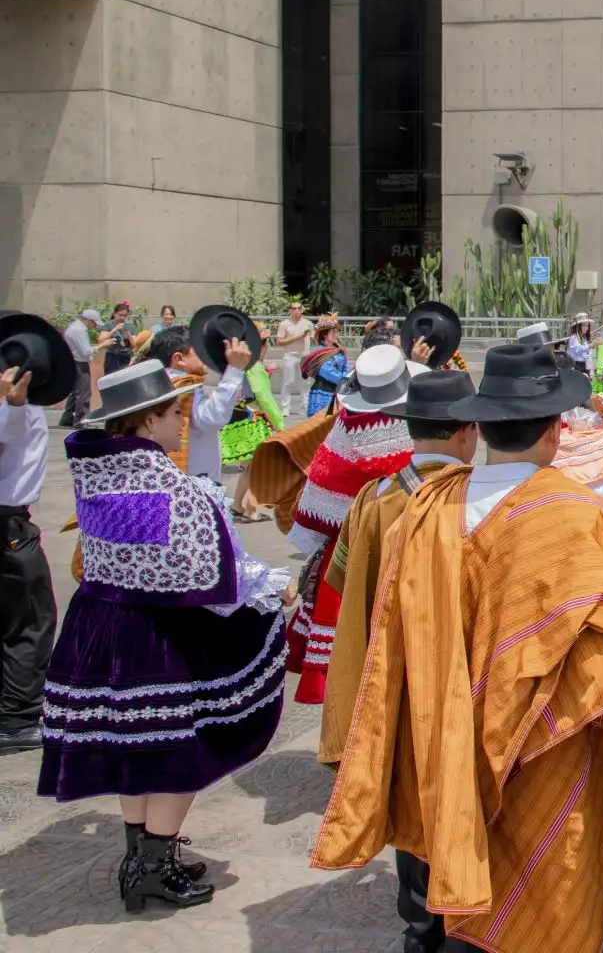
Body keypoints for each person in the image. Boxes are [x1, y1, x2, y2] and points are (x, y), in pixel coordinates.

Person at [312, 342, 603, 953]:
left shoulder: (421, 509)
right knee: (555, 890)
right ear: (554, 431)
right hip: (544, 748)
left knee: (448, 897)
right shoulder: (580, 516)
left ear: (484, 427)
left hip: (440, 738)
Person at [39, 359, 290, 912]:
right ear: (148, 421)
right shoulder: (177, 491)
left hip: (101, 621)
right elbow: (215, 574)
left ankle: (142, 860)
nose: (181, 422)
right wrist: (277, 589)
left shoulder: (95, 474)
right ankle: (153, 867)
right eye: (174, 412)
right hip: (159, 633)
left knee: (135, 745)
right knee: (181, 748)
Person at [314, 368, 475, 953]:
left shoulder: (376, 496)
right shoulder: (471, 497)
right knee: (463, 796)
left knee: (410, 800)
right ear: (468, 430)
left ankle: (421, 925)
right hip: (460, 677)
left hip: (396, 683)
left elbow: (344, 580)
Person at [283, 345, 416, 706]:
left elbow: (310, 517)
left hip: (342, 565)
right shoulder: (410, 434)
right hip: (403, 556)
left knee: (349, 669)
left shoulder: (340, 435)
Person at [0, 313, 75, 754]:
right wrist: (11, 406)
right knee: (31, 620)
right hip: (9, 525)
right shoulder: (19, 413)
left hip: (11, 521)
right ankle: (16, 719)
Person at [140, 319, 255, 485]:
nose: (206, 355)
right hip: (192, 483)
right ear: (179, 359)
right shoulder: (181, 386)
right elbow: (211, 419)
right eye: (199, 351)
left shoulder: (158, 383)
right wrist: (234, 371)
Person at [59, 308, 100, 427]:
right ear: (87, 320)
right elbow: (86, 352)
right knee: (84, 393)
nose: (95, 325)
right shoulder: (79, 330)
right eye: (94, 322)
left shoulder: (74, 327)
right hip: (79, 363)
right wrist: (102, 345)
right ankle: (81, 420)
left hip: (73, 362)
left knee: (75, 392)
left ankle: (67, 418)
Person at [272, 301, 315, 416]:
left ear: (302, 309)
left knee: (305, 382)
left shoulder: (308, 324)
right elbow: (279, 341)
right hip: (290, 355)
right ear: (290, 310)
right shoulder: (284, 324)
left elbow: (314, 338)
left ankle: (305, 407)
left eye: (299, 308)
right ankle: (285, 408)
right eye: (294, 308)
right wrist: (297, 338)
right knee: (288, 382)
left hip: (305, 356)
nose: (296, 310)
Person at [102, 303, 137, 375]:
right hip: (112, 358)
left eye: (125, 316)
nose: (122, 318)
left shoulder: (130, 326)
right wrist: (114, 330)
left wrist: (129, 335)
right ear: (114, 314)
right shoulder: (108, 325)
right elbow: (101, 340)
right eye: (120, 315)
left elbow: (134, 345)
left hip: (126, 357)